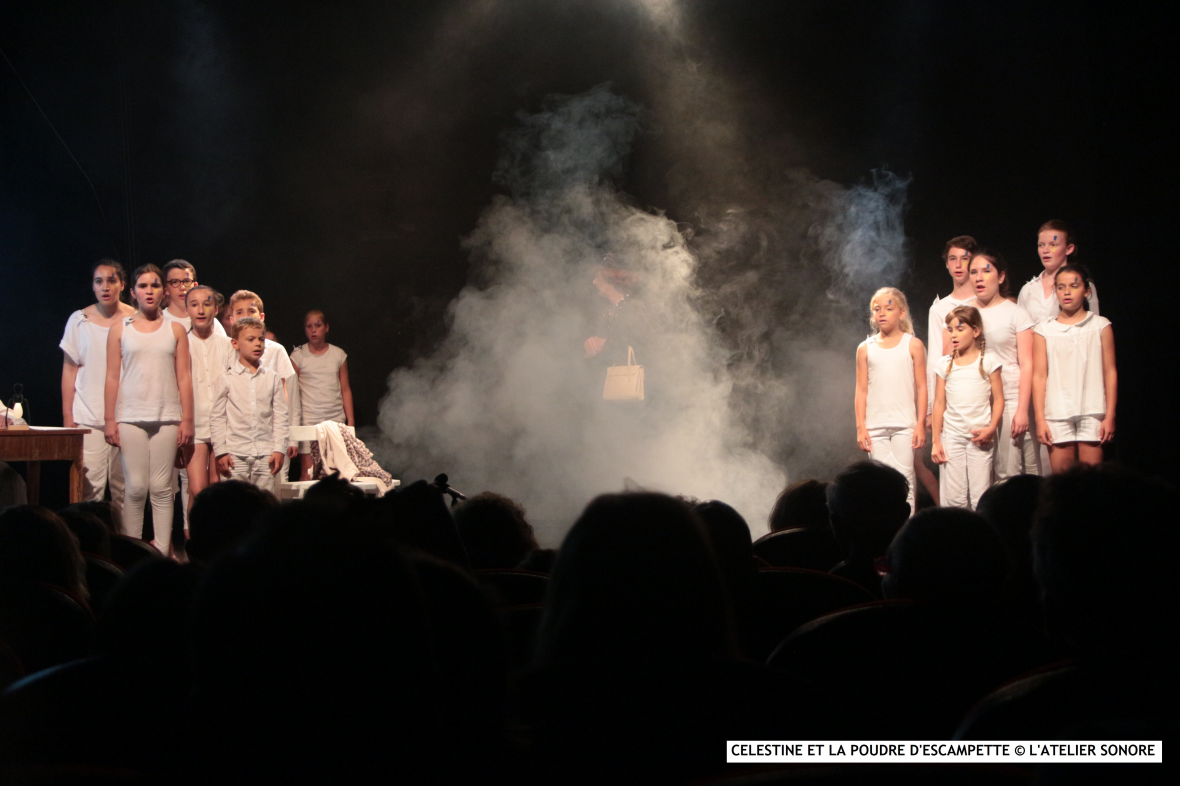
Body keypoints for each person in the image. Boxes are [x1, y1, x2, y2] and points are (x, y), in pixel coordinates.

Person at [103, 264, 194, 557]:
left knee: (161, 487)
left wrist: (187, 420)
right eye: (143, 286)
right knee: (136, 486)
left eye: (155, 285)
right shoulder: (121, 328)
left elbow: (184, 377)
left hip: (167, 415)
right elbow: (112, 376)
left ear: (164, 291)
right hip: (130, 416)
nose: (149, 291)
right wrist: (109, 420)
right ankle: (132, 553)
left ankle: (162, 553)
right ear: (133, 292)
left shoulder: (176, 329)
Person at [1017, 221, 1100, 475]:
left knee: (1082, 463)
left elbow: (1093, 335)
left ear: (1069, 248)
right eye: (1041, 245)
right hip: (1038, 379)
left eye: (1054, 244)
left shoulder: (1082, 287)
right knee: (1041, 447)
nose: (1046, 250)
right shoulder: (1028, 290)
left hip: (1074, 380)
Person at [60, 260, 136, 513]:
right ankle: (87, 547)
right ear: (93, 286)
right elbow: (70, 370)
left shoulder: (135, 319)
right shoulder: (79, 320)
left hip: (127, 417)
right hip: (87, 417)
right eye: (99, 281)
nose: (105, 287)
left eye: (111, 280)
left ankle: (123, 547)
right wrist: (68, 418)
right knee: (87, 489)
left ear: (122, 285)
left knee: (124, 491)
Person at [1032, 264, 1116, 472]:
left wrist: (1110, 415)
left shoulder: (1100, 326)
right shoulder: (1044, 330)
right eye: (1061, 287)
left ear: (1086, 291)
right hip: (1057, 411)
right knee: (1061, 482)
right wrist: (1040, 419)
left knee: (1091, 481)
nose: (1067, 292)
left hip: (1092, 410)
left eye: (1074, 286)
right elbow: (1039, 376)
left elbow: (1110, 372)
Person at [854, 287, 927, 514]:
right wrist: (861, 427)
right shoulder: (865, 349)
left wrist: (920, 424)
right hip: (875, 427)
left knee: (906, 480)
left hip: (905, 425)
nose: (882, 313)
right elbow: (861, 390)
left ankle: (907, 531)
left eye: (888, 308)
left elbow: (923, 387)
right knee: (879, 484)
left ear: (901, 313)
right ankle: (884, 533)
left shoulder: (913, 345)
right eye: (877, 309)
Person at [919, 235, 980, 504]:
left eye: (965, 258)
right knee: (952, 475)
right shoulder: (940, 309)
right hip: (951, 397)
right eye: (952, 259)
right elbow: (935, 359)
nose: (958, 265)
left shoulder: (984, 302)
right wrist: (932, 408)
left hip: (981, 395)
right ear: (946, 264)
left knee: (984, 474)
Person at [969, 251, 1038, 479]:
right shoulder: (965, 314)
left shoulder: (1017, 314)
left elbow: (1027, 364)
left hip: (1009, 398)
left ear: (1000, 277)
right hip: (976, 400)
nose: (979, 277)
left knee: (1008, 471)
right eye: (974, 272)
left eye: (986, 271)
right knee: (979, 472)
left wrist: (1021, 409)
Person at [931, 306, 1003, 510]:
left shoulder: (988, 361)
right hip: (952, 437)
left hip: (979, 437)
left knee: (980, 496)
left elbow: (998, 400)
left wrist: (991, 428)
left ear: (976, 331)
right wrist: (936, 441)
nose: (953, 334)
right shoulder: (944, 364)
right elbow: (938, 403)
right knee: (954, 498)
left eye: (960, 329)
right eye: (950, 329)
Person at [228, 290, 300, 488]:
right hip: (237, 443)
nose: (245, 316)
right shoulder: (227, 349)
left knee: (270, 495)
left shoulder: (275, 350)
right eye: (239, 312)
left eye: (250, 311)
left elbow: (288, 399)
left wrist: (287, 439)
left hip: (270, 441)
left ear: (261, 317)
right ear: (231, 318)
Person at [211, 317, 290, 491]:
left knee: (262, 505)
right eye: (250, 339)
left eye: (261, 339)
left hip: (265, 454)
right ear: (235, 343)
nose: (257, 344)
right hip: (235, 454)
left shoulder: (273, 378)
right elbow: (217, 417)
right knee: (235, 506)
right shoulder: (226, 379)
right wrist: (221, 451)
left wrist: (279, 449)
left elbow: (281, 416)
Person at [182, 285, 236, 529]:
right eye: (194, 304)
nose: (200, 310)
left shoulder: (227, 344)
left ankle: (215, 545)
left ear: (216, 308)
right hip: (194, 425)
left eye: (206, 304)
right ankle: (194, 544)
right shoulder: (181, 343)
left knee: (218, 489)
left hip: (224, 424)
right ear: (187, 309)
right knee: (197, 488)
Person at [290, 310, 353, 480]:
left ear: (326, 328)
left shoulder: (338, 354)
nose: (313, 330)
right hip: (309, 419)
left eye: (318, 325)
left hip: (334, 420)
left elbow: (345, 389)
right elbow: (289, 391)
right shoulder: (298, 356)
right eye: (309, 326)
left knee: (337, 472)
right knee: (308, 472)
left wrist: (351, 422)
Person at [160, 259, 227, 336]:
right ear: (166, 289)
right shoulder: (158, 321)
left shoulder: (210, 322)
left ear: (195, 286)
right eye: (175, 282)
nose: (182, 287)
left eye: (186, 281)